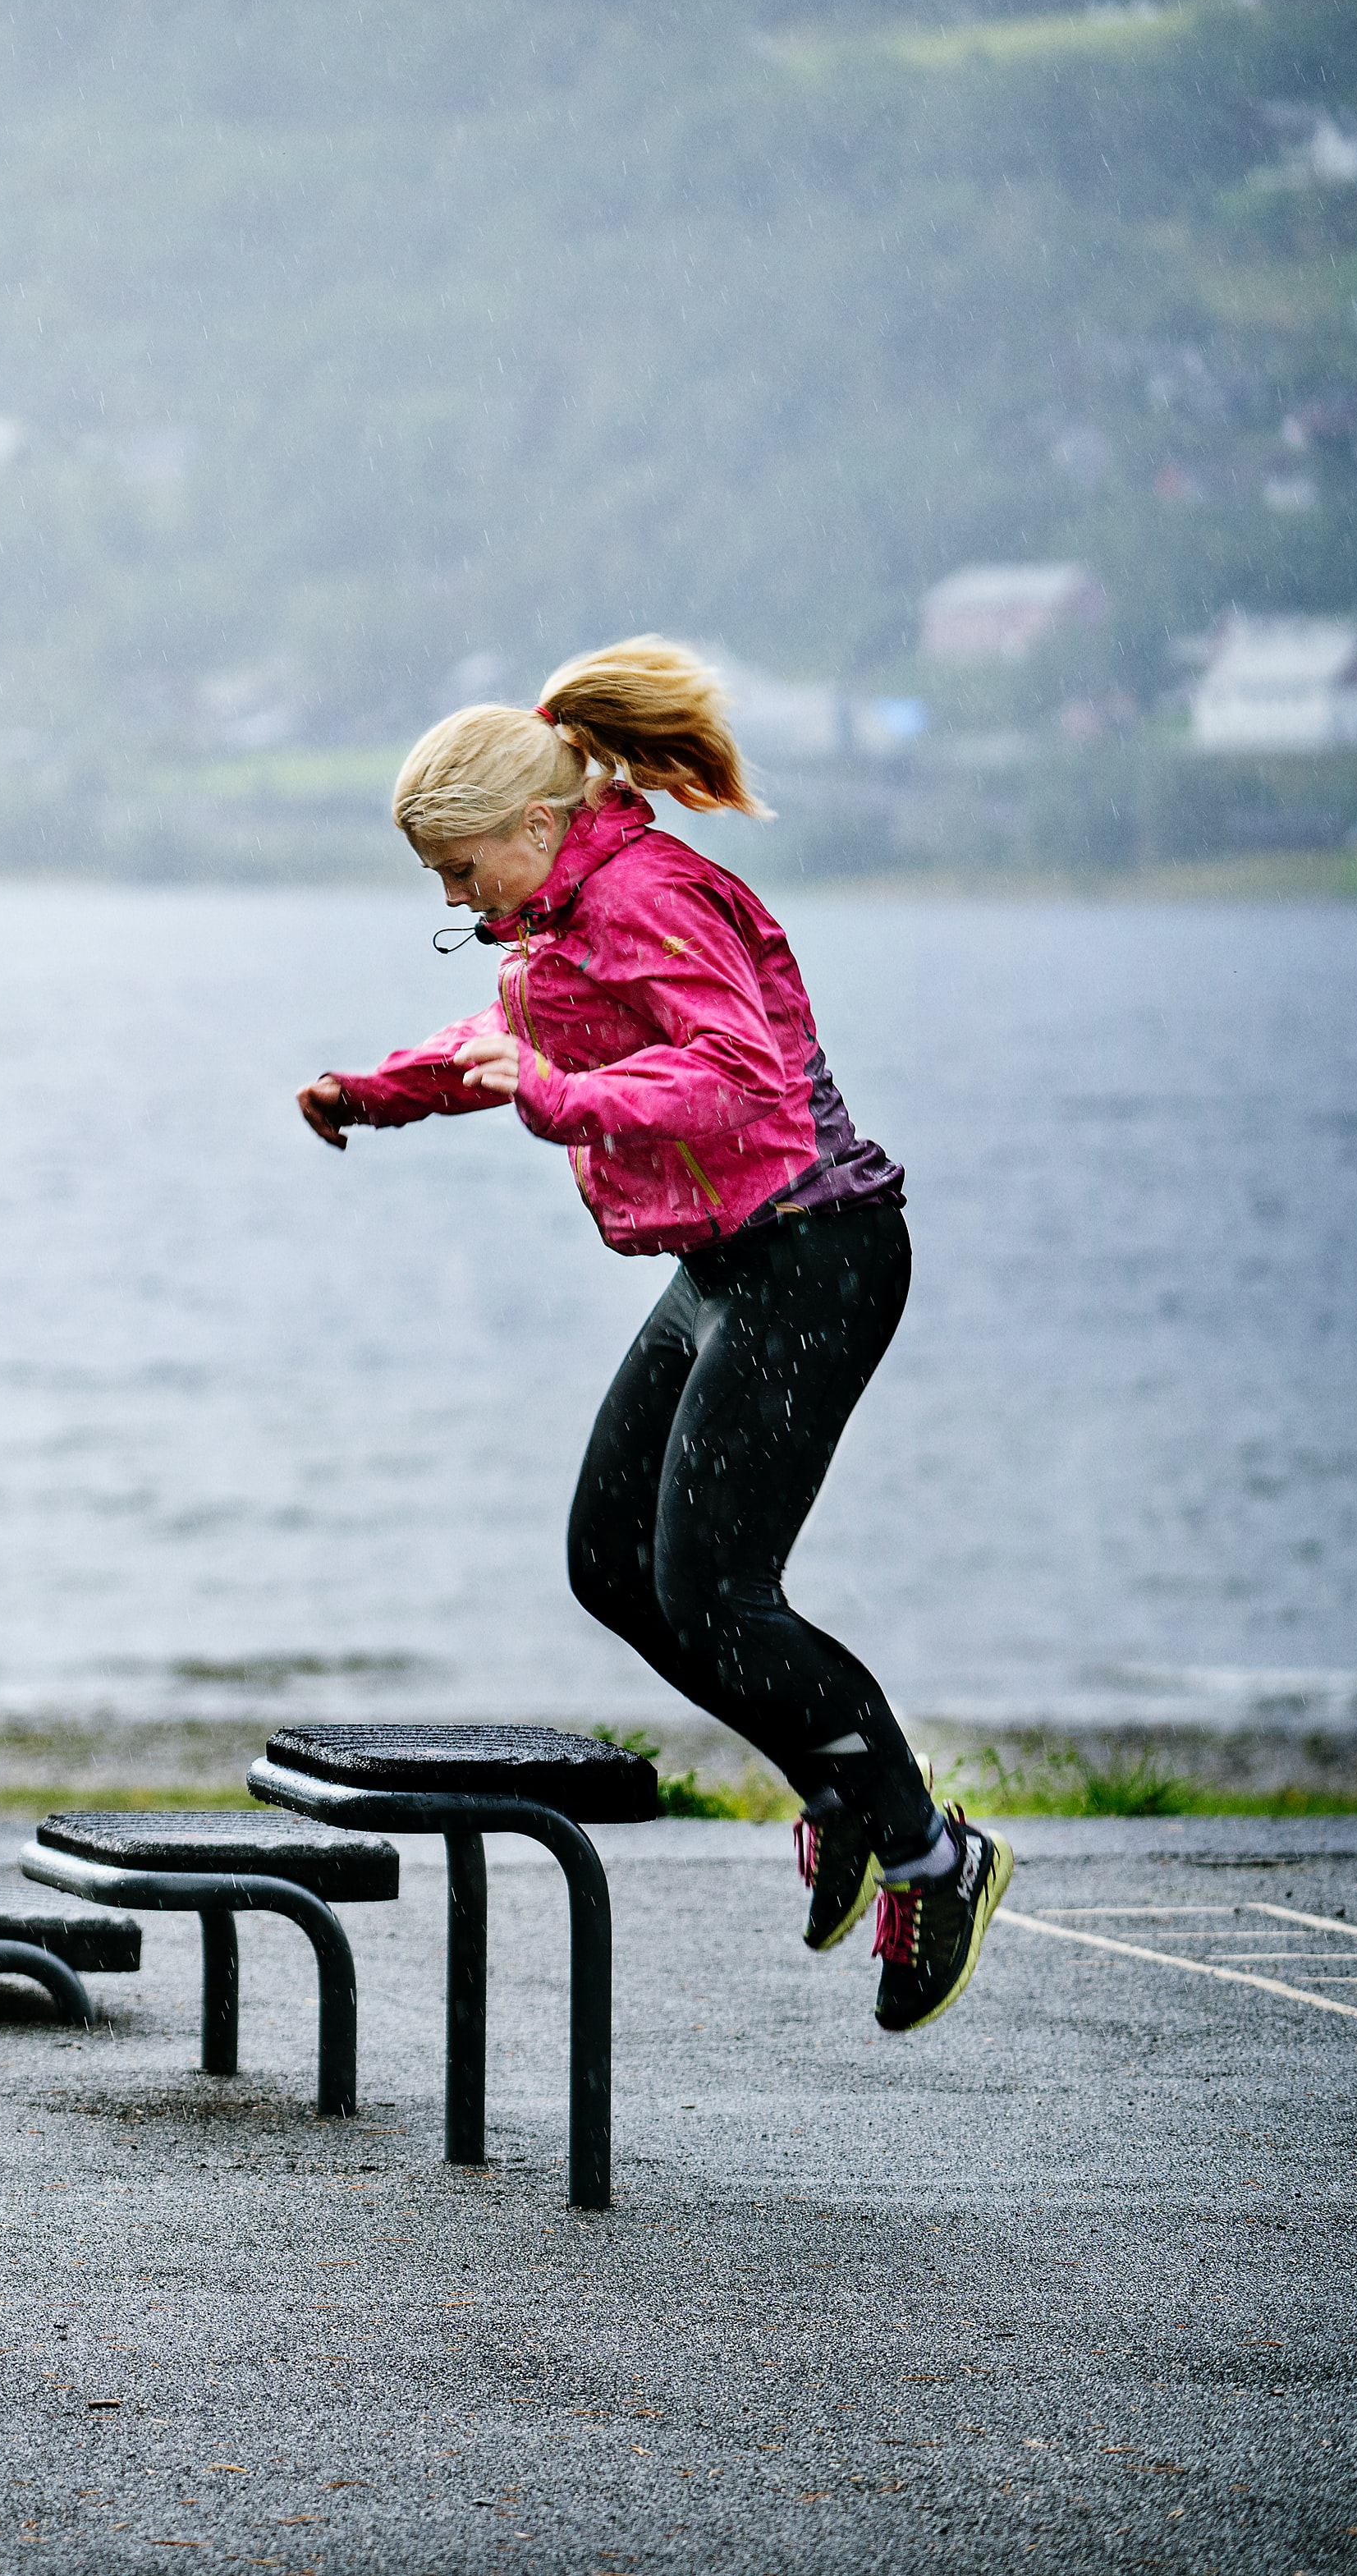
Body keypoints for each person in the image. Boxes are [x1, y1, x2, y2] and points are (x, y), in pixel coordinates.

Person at [294, 640, 1009, 2035]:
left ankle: (929, 1851)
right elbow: (508, 1039)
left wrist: (557, 1097)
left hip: (813, 1252)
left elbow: (734, 1081)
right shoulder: (557, 916)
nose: (449, 899)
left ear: (531, 825)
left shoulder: (645, 892)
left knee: (717, 1590)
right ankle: (838, 1785)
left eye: (456, 869)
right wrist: (374, 1094)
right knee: (610, 1566)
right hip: (724, 1261)